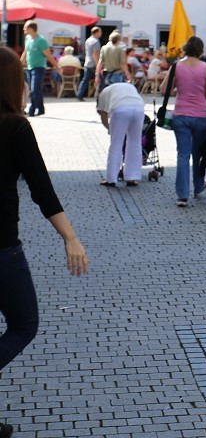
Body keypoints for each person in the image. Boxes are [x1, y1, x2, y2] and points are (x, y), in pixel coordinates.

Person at [0, 46, 88, 438]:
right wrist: (70, 238)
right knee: (24, 325)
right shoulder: (15, 127)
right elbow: (42, 190)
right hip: (1, 247)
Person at [166, 37, 206, 207]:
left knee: (183, 154)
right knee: (199, 153)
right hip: (201, 116)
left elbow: (163, 89)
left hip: (180, 115)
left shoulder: (176, 66)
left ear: (186, 48)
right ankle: (198, 187)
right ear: (201, 50)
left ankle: (182, 195)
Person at [95, 80, 146, 187]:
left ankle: (111, 178)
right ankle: (132, 177)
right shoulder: (126, 86)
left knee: (116, 144)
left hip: (120, 109)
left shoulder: (103, 93)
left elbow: (103, 115)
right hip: (139, 108)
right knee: (135, 143)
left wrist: (110, 129)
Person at [20, 22, 56, 117]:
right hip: (30, 67)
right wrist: (20, 64)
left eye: (25, 27)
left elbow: (48, 55)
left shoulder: (41, 41)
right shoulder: (27, 38)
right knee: (37, 89)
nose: (23, 29)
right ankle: (41, 109)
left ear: (31, 29)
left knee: (34, 89)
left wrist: (56, 66)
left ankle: (32, 110)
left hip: (39, 67)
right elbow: (25, 52)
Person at [76, 26, 102, 101]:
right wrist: (98, 65)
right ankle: (100, 95)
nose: (101, 34)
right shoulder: (96, 41)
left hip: (87, 62)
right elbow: (95, 54)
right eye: (100, 32)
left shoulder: (88, 40)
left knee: (85, 80)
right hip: (93, 63)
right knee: (101, 79)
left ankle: (79, 94)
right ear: (96, 32)